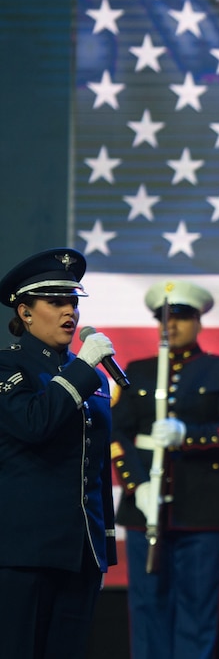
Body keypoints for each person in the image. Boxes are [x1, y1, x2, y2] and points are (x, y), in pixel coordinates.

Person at [109, 279, 219, 659]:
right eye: (163, 318)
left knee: (197, 609)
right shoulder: (135, 372)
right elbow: (114, 434)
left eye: (180, 317)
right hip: (145, 510)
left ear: (198, 321)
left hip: (201, 509)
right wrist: (135, 485)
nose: (170, 325)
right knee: (147, 608)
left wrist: (186, 435)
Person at [0, 247, 118, 657]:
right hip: (23, 554)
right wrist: (82, 370)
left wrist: (103, 549)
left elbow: (97, 466)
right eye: (55, 302)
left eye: (73, 302)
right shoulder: (7, 369)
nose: (70, 311)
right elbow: (34, 424)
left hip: (79, 554)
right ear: (26, 312)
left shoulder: (90, 378)